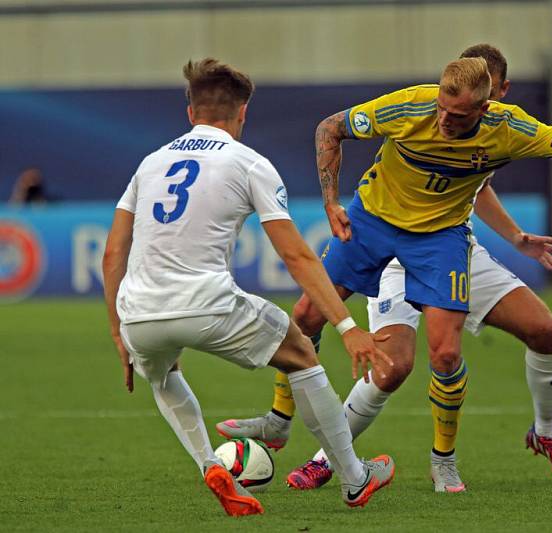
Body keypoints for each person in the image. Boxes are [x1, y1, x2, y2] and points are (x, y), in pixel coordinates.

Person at [219, 52, 552, 493]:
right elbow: (330, 128)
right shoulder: (410, 106)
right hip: (373, 223)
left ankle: (445, 460)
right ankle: (280, 424)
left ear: (487, 104)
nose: (444, 120)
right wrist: (330, 200)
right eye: (442, 108)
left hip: (440, 240)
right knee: (308, 314)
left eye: (458, 116)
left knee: (445, 354)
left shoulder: (508, 128)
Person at [102, 58, 395, 517]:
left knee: (163, 376)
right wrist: (346, 326)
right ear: (242, 114)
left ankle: (208, 465)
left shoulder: (150, 164)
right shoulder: (248, 162)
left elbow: (113, 253)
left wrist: (119, 332)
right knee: (300, 353)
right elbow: (296, 254)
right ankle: (355, 479)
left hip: (139, 312)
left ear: (190, 112)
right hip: (206, 303)